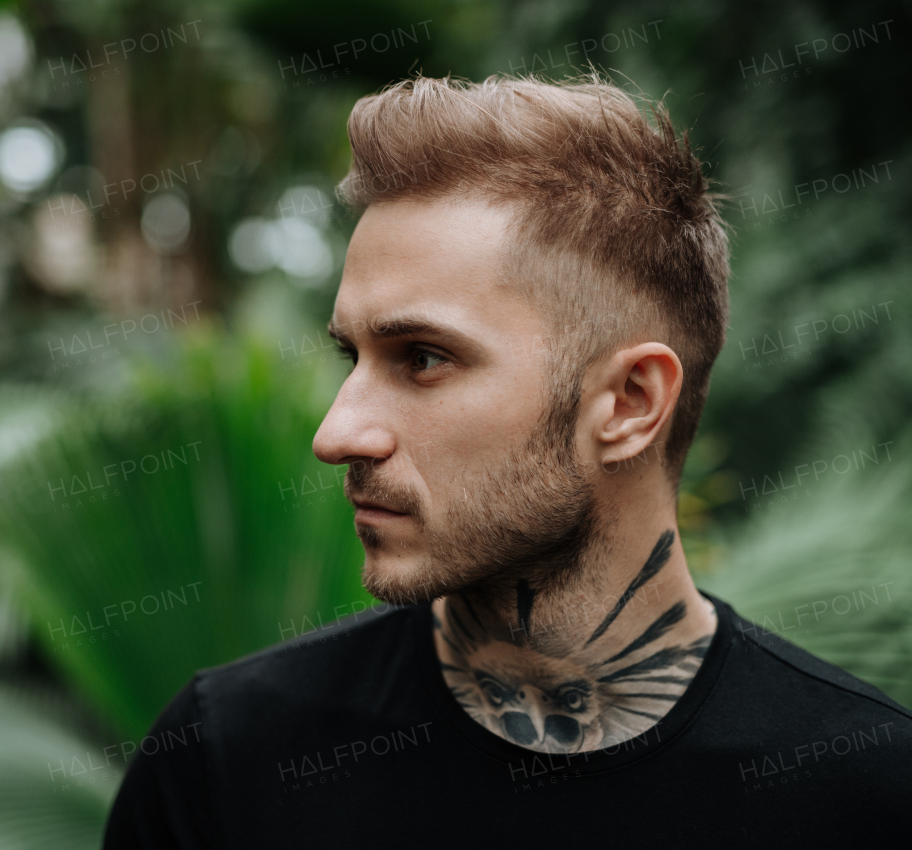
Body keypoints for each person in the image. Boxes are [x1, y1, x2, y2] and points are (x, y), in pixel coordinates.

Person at [102, 74, 911, 847]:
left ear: (629, 403)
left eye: (422, 358)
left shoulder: (866, 794)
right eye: (350, 355)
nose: (336, 432)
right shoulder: (227, 764)